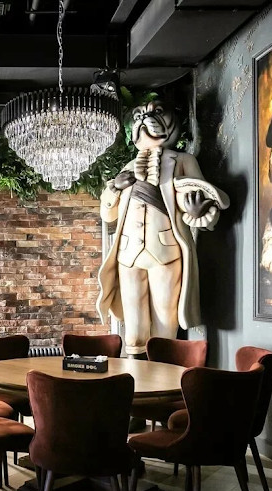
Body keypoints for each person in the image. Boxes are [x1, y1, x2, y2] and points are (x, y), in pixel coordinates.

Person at [96, 100, 229, 357]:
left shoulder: (183, 160)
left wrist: (197, 212)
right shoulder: (127, 168)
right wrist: (114, 188)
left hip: (166, 252)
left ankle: (162, 375)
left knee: (165, 322)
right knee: (133, 326)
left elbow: (204, 201)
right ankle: (134, 374)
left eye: (157, 112)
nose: (144, 119)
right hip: (128, 255)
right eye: (138, 116)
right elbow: (108, 214)